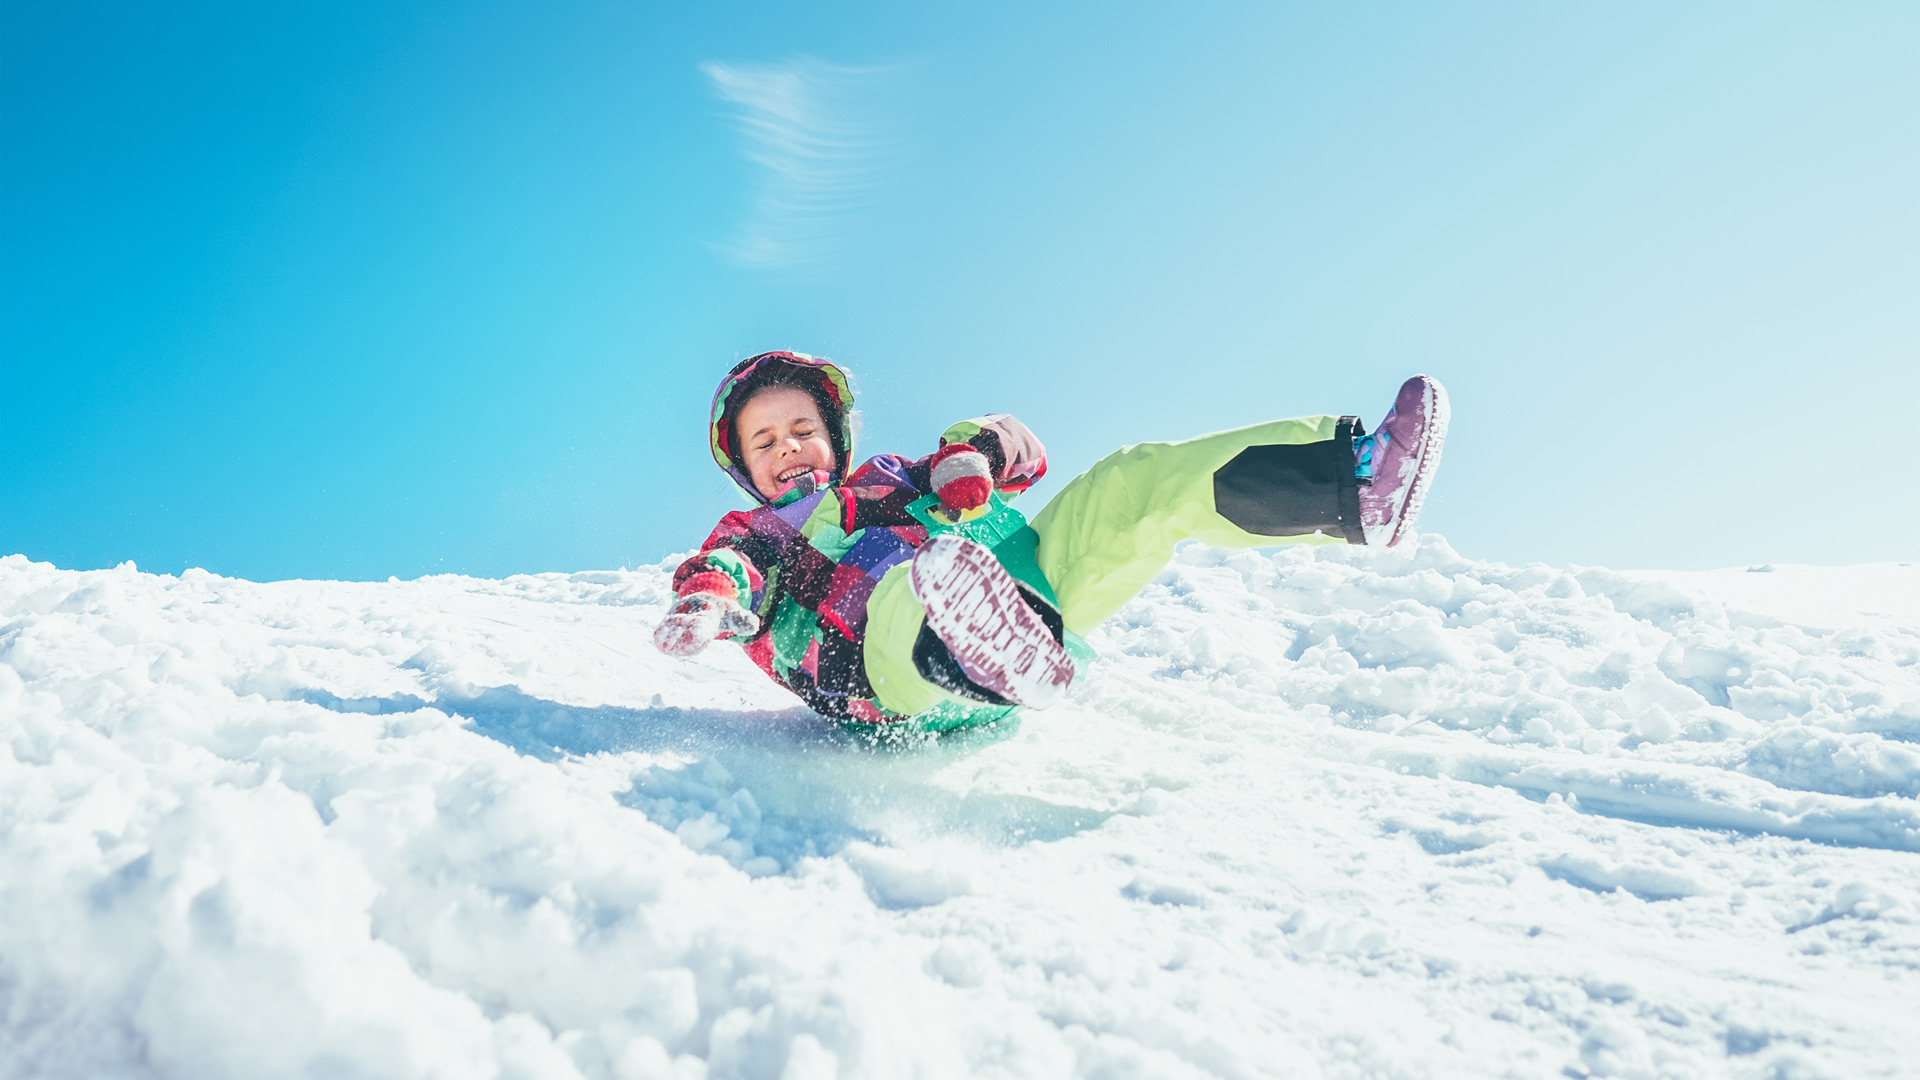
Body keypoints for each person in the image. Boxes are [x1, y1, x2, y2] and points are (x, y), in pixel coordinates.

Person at [654, 351, 1447, 733]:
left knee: (1130, 485)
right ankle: (969, 647)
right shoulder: (755, 531)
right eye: (767, 441)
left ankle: (1356, 488)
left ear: (835, 436)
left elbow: (1023, 450)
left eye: (802, 429)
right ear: (746, 468)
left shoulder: (898, 474)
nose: (789, 447)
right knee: (909, 590)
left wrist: (973, 453)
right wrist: (707, 602)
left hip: (1025, 599)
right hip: (885, 674)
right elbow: (724, 571)